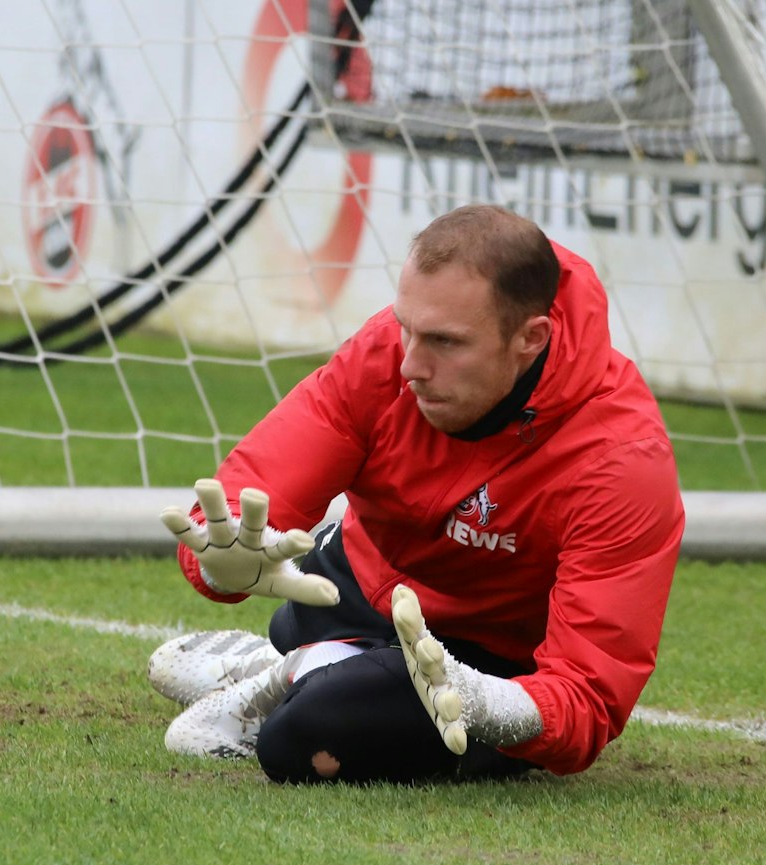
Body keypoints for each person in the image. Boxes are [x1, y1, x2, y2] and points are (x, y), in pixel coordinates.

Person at [149, 204, 683, 783]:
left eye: (445, 342)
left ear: (531, 338)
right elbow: (255, 487)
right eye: (407, 326)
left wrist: (485, 703)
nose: (410, 364)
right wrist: (219, 562)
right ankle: (306, 659)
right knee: (302, 623)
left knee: (302, 739)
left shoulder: (622, 457)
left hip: (484, 659)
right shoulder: (387, 352)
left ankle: (299, 671)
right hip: (359, 583)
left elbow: (588, 696)